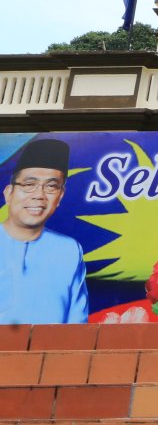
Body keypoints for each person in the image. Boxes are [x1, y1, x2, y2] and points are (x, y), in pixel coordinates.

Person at [1, 138, 89, 324]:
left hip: (51, 352)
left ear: (60, 196)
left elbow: (76, 326)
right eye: (29, 185)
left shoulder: (69, 250)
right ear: (9, 193)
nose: (39, 195)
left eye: (51, 186)